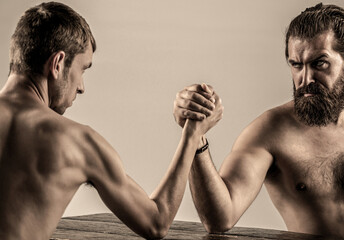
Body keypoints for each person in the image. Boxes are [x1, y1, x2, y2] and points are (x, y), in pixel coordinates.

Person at [0, 2, 223, 240]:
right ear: (57, 64)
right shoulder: (78, 142)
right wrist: (192, 135)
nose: (81, 87)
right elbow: (155, 222)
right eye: (83, 69)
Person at [173, 3, 344, 239]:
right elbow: (219, 219)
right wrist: (196, 136)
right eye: (296, 65)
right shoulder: (270, 131)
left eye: (320, 63)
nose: (306, 79)